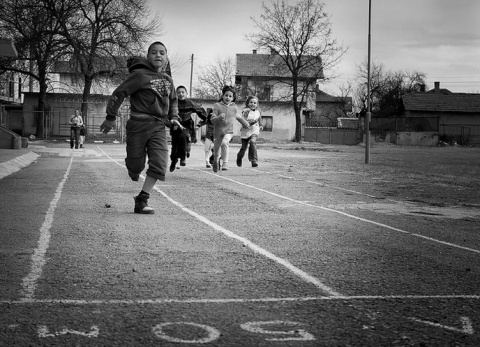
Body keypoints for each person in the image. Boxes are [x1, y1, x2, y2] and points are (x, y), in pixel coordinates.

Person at [99, 41, 181, 214]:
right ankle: (133, 168)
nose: (158, 55)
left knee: (159, 163)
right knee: (136, 166)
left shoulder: (168, 80)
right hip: (138, 125)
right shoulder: (140, 75)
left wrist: (173, 117)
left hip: (158, 126)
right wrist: (110, 116)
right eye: (153, 52)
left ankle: (142, 199)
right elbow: (119, 93)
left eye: (162, 53)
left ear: (166, 58)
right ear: (148, 56)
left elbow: (173, 100)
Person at [210, 85, 249, 172]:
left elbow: (237, 116)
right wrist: (219, 118)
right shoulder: (217, 106)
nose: (228, 97)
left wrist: (245, 123)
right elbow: (212, 120)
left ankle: (225, 163)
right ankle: (216, 161)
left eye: (230, 96)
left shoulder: (234, 107)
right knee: (217, 149)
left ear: (233, 98)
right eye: (226, 95)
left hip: (229, 131)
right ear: (222, 95)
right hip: (218, 131)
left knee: (224, 143)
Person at [169, 85, 206, 172]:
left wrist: (204, 120)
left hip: (187, 125)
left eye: (183, 92)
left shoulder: (190, 103)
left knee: (183, 136)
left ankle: (183, 157)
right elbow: (168, 114)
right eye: (178, 93)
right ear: (176, 95)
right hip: (176, 125)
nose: (181, 94)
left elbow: (200, 110)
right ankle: (174, 161)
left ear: (186, 93)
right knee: (174, 145)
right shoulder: (174, 103)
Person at [237, 95, 263, 167]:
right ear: (248, 103)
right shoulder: (245, 111)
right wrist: (253, 121)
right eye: (251, 102)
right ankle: (239, 157)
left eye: (255, 103)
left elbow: (259, 119)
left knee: (252, 142)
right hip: (246, 131)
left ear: (257, 104)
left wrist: (260, 125)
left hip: (254, 131)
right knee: (243, 148)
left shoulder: (258, 112)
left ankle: (253, 160)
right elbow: (244, 120)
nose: (253, 104)